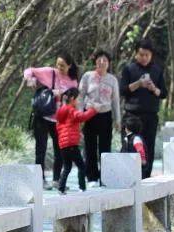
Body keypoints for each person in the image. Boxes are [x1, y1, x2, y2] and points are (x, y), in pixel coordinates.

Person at [23, 53, 79, 188]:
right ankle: (40, 180)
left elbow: (73, 101)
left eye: (63, 66)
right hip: (42, 116)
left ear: (69, 66)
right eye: (58, 64)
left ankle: (56, 179)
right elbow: (29, 70)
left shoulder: (73, 81)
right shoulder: (50, 72)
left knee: (60, 150)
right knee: (40, 149)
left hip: (60, 120)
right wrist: (29, 79)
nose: (59, 68)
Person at [119, 39, 167, 178]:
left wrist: (153, 88)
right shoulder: (129, 69)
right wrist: (138, 84)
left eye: (147, 55)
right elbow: (123, 90)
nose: (144, 58)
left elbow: (163, 93)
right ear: (136, 54)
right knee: (129, 145)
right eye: (141, 54)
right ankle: (127, 175)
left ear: (151, 55)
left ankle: (145, 176)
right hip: (132, 114)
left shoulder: (157, 70)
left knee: (148, 146)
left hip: (150, 115)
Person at [78, 49, 121, 185]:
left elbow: (115, 100)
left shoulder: (112, 79)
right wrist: (79, 115)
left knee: (105, 146)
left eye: (105, 60)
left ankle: (105, 176)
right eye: (99, 59)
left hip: (105, 115)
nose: (102, 62)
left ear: (109, 63)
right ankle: (91, 176)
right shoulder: (87, 76)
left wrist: (117, 119)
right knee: (90, 146)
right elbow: (80, 96)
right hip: (89, 114)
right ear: (95, 61)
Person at [54, 87, 96, 193]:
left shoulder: (61, 111)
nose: (78, 102)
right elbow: (81, 117)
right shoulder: (71, 110)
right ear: (72, 98)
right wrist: (93, 110)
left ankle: (61, 188)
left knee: (67, 167)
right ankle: (82, 188)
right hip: (71, 144)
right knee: (81, 166)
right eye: (77, 99)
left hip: (63, 145)